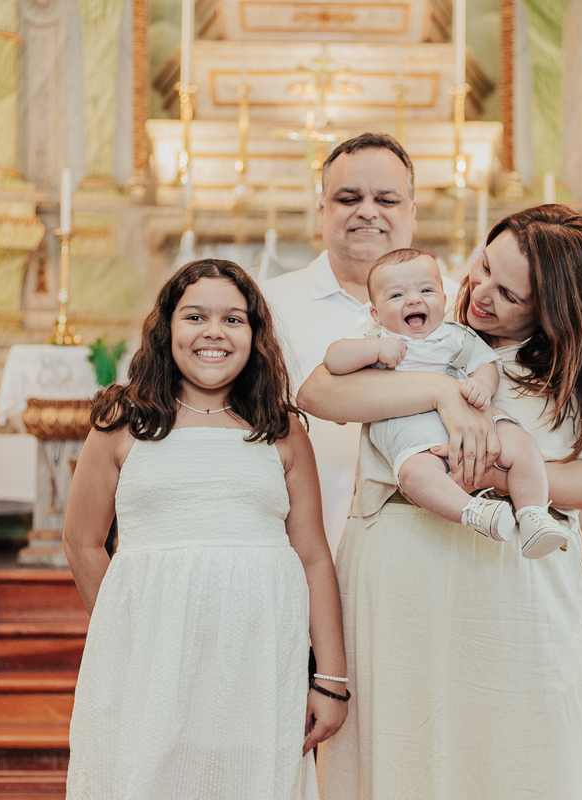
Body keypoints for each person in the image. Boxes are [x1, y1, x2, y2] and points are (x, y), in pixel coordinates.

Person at [298, 205, 582, 799]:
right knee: (401, 751)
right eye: (483, 267)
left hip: (517, 587)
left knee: (518, 757)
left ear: (556, 310)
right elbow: (317, 393)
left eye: (509, 294)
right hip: (401, 579)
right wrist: (440, 392)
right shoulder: (424, 336)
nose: (480, 293)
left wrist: (498, 478)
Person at [62, 260, 348, 799]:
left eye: (232, 319)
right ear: (166, 328)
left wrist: (331, 679)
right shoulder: (124, 422)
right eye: (195, 316)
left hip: (258, 660)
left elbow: (312, 554)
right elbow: (82, 541)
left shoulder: (281, 430)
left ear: (255, 335)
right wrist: (128, 634)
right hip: (150, 660)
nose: (213, 332)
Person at [261, 133, 457, 552]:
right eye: (349, 198)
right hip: (298, 550)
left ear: (412, 211)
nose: (367, 211)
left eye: (386, 199)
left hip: (433, 547)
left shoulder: (460, 304)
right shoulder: (266, 306)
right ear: (321, 210)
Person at [323, 247, 568, 556]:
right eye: (397, 295)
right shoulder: (375, 337)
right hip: (413, 436)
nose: (414, 300)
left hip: (473, 419)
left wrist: (481, 384)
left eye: (426, 291)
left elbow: (486, 364)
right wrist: (374, 351)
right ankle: (475, 513)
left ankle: (533, 514)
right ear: (375, 313)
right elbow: (333, 360)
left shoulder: (457, 336)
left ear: (443, 298)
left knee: (521, 443)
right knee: (415, 475)